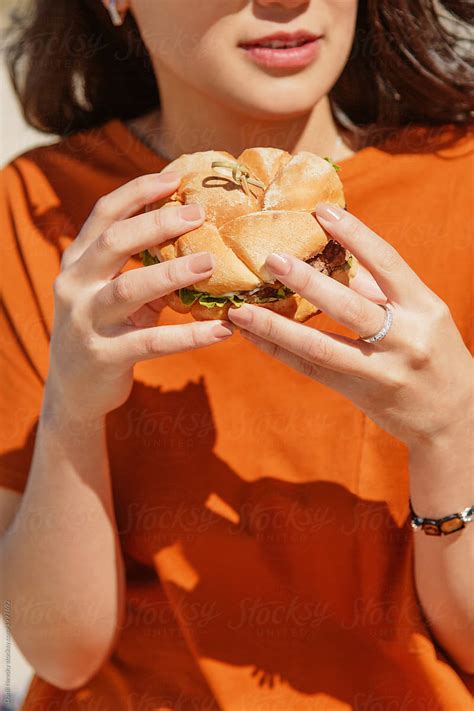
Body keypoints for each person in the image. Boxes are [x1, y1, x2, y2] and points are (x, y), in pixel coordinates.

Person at [1, 0, 473, 709]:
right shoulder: (39, 213)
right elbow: (63, 652)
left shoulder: (460, 188)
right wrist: (73, 401)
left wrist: (449, 429)